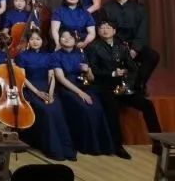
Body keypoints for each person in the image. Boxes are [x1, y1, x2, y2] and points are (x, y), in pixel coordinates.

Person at [87, 19, 163, 158]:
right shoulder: (93, 47)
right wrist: (112, 73)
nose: (105, 30)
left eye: (108, 27)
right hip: (105, 87)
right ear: (98, 31)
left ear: (114, 31)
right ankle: (117, 145)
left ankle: (158, 143)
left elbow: (133, 69)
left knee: (147, 105)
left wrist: (128, 85)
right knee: (113, 108)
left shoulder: (121, 46)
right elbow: (94, 70)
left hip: (122, 88)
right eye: (102, 28)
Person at [14, 30, 77, 161]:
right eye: (32, 39)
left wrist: (51, 93)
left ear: (42, 41)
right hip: (31, 89)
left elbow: (51, 76)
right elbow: (23, 78)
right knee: (47, 111)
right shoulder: (22, 56)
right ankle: (53, 149)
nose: (35, 42)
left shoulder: (49, 56)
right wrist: (37, 92)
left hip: (47, 88)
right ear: (28, 41)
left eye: (38, 39)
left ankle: (66, 148)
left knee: (57, 110)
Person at [53, 29, 116, 157]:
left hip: (83, 85)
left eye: (70, 37)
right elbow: (61, 79)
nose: (66, 39)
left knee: (97, 108)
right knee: (84, 108)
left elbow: (91, 78)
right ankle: (86, 145)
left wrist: (87, 71)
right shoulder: (55, 55)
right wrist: (80, 93)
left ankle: (102, 146)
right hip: (67, 88)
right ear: (59, 40)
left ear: (75, 39)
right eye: (63, 37)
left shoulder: (81, 54)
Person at [102, 0, 159, 94]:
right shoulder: (106, 8)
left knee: (152, 56)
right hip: (115, 45)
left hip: (134, 45)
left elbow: (142, 31)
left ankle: (139, 84)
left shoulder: (139, 8)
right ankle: (120, 86)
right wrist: (119, 47)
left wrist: (135, 49)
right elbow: (105, 30)